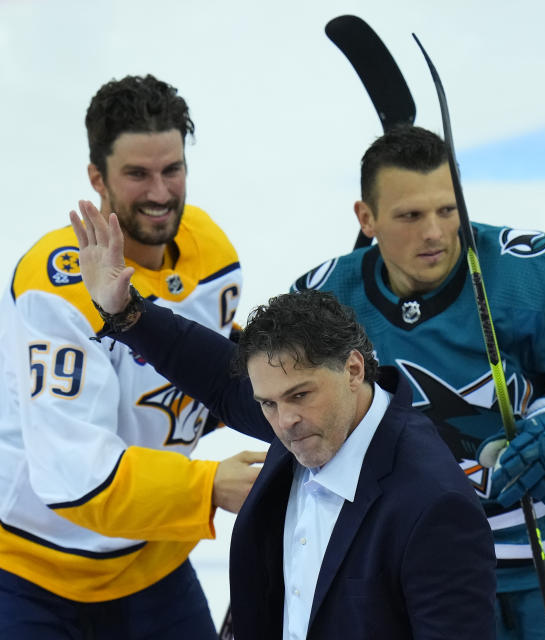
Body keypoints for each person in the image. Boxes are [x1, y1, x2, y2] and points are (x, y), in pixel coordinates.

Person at [289, 125, 545, 639]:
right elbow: (292, 430)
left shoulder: (534, 277)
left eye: (447, 208)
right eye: (410, 216)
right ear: (366, 219)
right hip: (419, 572)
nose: (435, 232)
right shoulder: (324, 302)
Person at [69, 200, 497, 639]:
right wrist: (125, 312)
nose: (285, 421)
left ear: (353, 369)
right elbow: (214, 372)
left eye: (300, 395)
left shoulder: (434, 506)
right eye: (268, 403)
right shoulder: (312, 418)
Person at [0, 74, 265, 640]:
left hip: (148, 565)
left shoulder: (211, 256)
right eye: (137, 174)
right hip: (17, 568)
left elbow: (196, 392)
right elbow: (72, 475)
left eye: (172, 169)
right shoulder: (56, 291)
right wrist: (207, 488)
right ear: (98, 178)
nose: (160, 192)